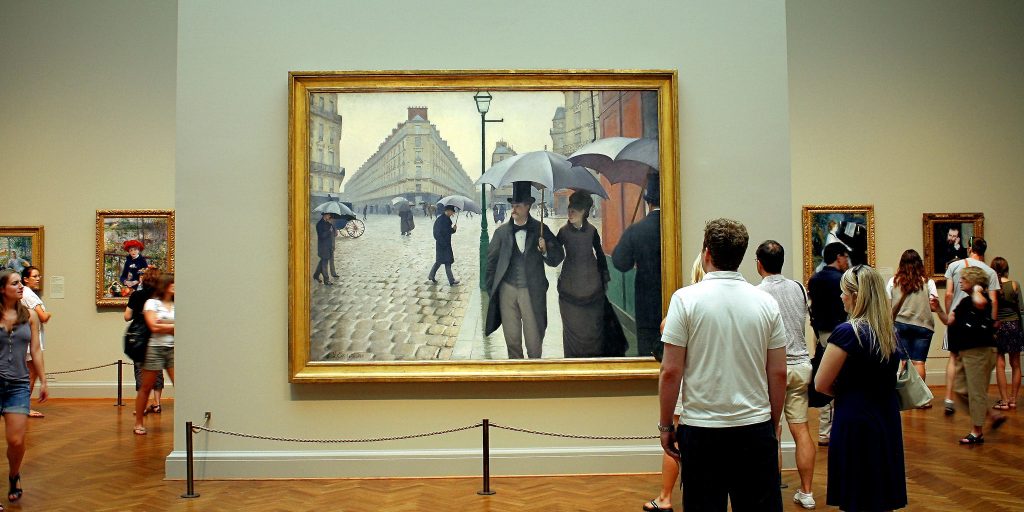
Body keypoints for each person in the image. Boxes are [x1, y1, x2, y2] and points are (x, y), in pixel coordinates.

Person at [659, 218, 787, 512]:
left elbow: (671, 371)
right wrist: (773, 421)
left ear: (706, 254)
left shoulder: (684, 300)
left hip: (702, 429)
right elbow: (778, 372)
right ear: (741, 257)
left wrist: (666, 424)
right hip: (754, 425)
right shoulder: (766, 303)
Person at [814, 264, 907, 511]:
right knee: (880, 493)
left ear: (856, 296)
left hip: (855, 419)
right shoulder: (889, 332)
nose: (841, 296)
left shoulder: (847, 333)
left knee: (857, 494)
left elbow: (821, 383)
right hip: (886, 417)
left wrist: (848, 393)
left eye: (844, 291)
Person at [755, 241, 817, 509]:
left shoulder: (756, 293)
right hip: (802, 365)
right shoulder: (799, 288)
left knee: (773, 430)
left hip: (774, 369)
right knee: (801, 429)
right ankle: (807, 492)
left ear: (759, 263)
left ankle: (773, 489)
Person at [644, 252, 703, 512]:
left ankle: (666, 497)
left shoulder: (687, 301)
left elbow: (665, 327)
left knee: (675, 444)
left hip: (685, 384)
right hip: (707, 387)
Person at [485, 182, 564, 359]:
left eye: (518, 206)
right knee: (512, 340)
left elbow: (558, 257)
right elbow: (490, 265)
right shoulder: (501, 233)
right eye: (512, 205)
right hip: (507, 291)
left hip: (532, 291)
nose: (514, 209)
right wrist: (494, 291)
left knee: (534, 342)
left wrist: (545, 250)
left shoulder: (540, 229)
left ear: (528, 206)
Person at [934, 266, 1005, 444]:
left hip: (980, 351)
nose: (960, 282)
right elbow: (949, 321)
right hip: (964, 351)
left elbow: (980, 303)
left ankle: (977, 432)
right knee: (960, 390)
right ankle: (991, 415)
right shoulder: (965, 302)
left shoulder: (982, 299)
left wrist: (976, 289)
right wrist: (938, 309)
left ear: (973, 282)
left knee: (976, 392)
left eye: (964, 279)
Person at [0, 269, 48, 504]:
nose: (21, 287)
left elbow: (36, 350)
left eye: (21, 283)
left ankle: (13, 474)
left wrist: (43, 379)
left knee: (17, 441)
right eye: (15, 283)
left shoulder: (30, 315)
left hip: (17, 384)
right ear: (2, 289)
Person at [941, 237, 1000, 415]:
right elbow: (994, 300)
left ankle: (949, 398)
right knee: (974, 377)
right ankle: (982, 413)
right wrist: (992, 323)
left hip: (960, 319)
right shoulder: (990, 271)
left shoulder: (955, 266)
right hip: (978, 325)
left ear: (969, 248)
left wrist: (949, 312)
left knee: (953, 357)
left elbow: (949, 294)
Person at [612, 172, 661, 358]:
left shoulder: (637, 230)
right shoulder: (678, 227)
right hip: (677, 305)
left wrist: (627, 237)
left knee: (648, 358)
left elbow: (620, 262)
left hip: (647, 306)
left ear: (648, 202)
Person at [555, 191, 609, 358]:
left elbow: (600, 254)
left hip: (592, 286)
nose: (570, 213)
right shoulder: (563, 231)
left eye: (574, 211)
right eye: (569, 210)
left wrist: (604, 279)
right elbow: (555, 256)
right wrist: (544, 249)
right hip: (569, 286)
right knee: (572, 326)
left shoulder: (592, 231)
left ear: (584, 212)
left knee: (591, 328)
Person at [807, 242, 850, 446]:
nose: (847, 261)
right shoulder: (840, 280)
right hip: (839, 333)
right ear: (839, 257)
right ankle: (827, 431)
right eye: (845, 257)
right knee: (835, 380)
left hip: (821, 333)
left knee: (825, 376)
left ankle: (827, 430)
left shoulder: (815, 279)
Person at [886, 249, 939, 405]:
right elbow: (934, 305)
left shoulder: (893, 281)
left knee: (905, 363)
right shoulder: (928, 282)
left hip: (900, 325)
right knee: (919, 363)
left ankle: (907, 398)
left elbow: (888, 305)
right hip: (923, 325)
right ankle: (921, 399)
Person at [133, 272, 174, 436]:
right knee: (146, 387)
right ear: (165, 286)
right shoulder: (151, 303)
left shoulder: (177, 305)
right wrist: (173, 327)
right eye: (172, 284)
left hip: (172, 349)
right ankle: (138, 422)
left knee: (182, 385)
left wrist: (163, 324)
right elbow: (153, 327)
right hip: (153, 349)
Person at [123, 267, 165, 415]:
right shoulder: (161, 297)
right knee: (157, 370)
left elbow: (127, 316)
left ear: (144, 280)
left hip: (141, 337)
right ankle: (157, 403)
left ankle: (142, 405)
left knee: (141, 371)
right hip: (158, 336)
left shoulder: (137, 295)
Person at [990, 257, 1022, 410]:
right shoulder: (1015, 285)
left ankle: (1003, 400)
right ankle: (1014, 399)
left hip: (999, 326)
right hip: (1014, 325)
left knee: (1000, 364)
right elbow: (1021, 309)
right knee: (1015, 364)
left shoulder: (992, 287)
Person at [19, 267, 49, 419]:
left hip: (32, 336)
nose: (38, 279)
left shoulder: (26, 293)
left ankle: (23, 405)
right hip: (32, 338)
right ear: (26, 279)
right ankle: (24, 406)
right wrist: (49, 314)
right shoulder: (28, 294)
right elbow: (42, 317)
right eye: (35, 276)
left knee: (31, 373)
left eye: (39, 276)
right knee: (31, 373)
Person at [427, 205, 460, 286]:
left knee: (441, 261)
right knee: (446, 262)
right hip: (442, 245)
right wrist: (443, 242)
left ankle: (431, 275)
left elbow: (448, 232)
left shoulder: (447, 220)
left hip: (446, 244)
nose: (452, 213)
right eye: (452, 212)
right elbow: (436, 233)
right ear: (448, 211)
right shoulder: (440, 220)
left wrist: (453, 229)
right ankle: (451, 280)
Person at [313, 212, 338, 285]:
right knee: (324, 263)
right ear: (325, 215)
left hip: (328, 246)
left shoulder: (328, 223)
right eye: (328, 215)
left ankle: (316, 275)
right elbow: (321, 236)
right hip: (323, 247)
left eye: (330, 215)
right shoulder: (319, 224)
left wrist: (334, 231)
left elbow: (332, 233)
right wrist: (329, 231)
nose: (329, 216)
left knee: (322, 262)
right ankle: (326, 280)